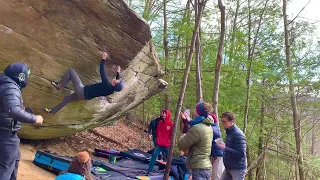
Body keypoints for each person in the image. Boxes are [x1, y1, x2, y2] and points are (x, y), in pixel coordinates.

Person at [0, 62, 43, 180]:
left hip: (5, 132)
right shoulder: (10, 88)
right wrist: (35, 119)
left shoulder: (4, 83)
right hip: (5, 134)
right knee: (4, 169)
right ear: (21, 76)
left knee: (15, 158)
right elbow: (12, 110)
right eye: (27, 75)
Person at [43, 52, 124, 114]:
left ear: (114, 83)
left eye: (118, 80)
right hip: (84, 96)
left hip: (82, 90)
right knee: (66, 99)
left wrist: (103, 58)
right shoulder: (112, 90)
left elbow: (102, 71)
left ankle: (59, 86)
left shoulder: (107, 83)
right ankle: (52, 111)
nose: (118, 79)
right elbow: (117, 83)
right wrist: (118, 73)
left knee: (71, 71)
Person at [179, 102, 214, 180]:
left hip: (199, 169)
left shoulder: (197, 128)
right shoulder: (208, 126)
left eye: (196, 109)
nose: (194, 110)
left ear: (199, 112)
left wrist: (183, 136)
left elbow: (181, 145)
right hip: (205, 166)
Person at [217, 112, 247, 180]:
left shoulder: (238, 134)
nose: (222, 123)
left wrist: (225, 148)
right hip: (229, 167)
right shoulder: (229, 132)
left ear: (232, 121)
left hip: (237, 169)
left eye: (224, 122)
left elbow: (241, 153)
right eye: (222, 121)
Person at [209, 113, 225, 180]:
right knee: (215, 175)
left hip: (218, 155)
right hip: (217, 155)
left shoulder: (213, 128)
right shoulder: (215, 128)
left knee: (217, 176)